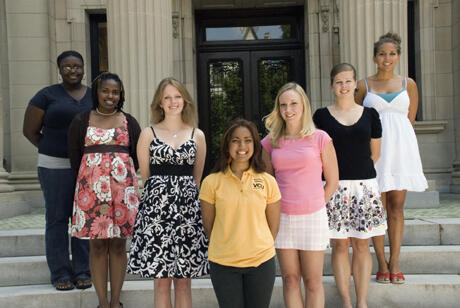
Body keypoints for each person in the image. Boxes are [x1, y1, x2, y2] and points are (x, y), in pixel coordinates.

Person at [127, 77, 209, 308]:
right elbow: (147, 177)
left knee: (184, 281)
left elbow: (196, 178)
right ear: (160, 103)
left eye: (177, 96)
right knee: (161, 282)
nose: (173, 102)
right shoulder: (148, 133)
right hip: (156, 213)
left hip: (188, 214)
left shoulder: (197, 135)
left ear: (185, 100)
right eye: (167, 97)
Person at [356, 32, 428, 284]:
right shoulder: (364, 85)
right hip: (374, 154)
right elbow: (357, 120)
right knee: (378, 210)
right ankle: (382, 263)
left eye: (392, 54)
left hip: (401, 152)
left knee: (397, 208)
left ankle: (395, 262)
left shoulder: (408, 84)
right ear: (375, 57)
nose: (387, 58)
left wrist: (401, 146)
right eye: (382, 54)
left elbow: (409, 119)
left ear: (398, 56)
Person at [313, 63, 387, 308]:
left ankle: (362, 301)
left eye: (348, 81)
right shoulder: (321, 116)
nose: (344, 86)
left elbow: (374, 154)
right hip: (334, 188)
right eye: (339, 82)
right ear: (332, 86)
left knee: (362, 245)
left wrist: (359, 178)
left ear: (356, 84)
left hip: (364, 187)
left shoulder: (371, 115)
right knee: (340, 245)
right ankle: (346, 301)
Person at [262, 82, 339, 308]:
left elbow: (332, 181)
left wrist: (315, 205)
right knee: (290, 279)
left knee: (313, 281)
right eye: (283, 105)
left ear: (303, 105)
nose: (288, 109)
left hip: (313, 217)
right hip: (282, 218)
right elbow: (267, 182)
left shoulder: (320, 138)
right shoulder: (270, 141)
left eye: (293, 103)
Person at [68, 72, 141, 308]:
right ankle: (102, 302)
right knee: (97, 245)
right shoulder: (81, 120)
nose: (110, 96)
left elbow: (138, 156)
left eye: (115, 91)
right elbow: (75, 157)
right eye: (105, 90)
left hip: (122, 191)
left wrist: (119, 174)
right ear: (96, 92)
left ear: (121, 95)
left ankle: (116, 301)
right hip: (91, 190)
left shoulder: (129, 121)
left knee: (119, 245)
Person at [23, 50, 92, 291]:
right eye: (67, 66)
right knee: (57, 219)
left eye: (77, 66)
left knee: (83, 219)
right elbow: (30, 130)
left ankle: (83, 270)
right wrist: (52, 149)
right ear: (59, 69)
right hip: (54, 166)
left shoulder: (93, 95)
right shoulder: (46, 95)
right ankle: (60, 272)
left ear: (84, 69)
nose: (72, 70)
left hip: (86, 168)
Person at [199, 118, 281, 308]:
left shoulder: (268, 181)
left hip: (261, 262)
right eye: (235, 140)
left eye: (248, 140)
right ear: (227, 144)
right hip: (224, 264)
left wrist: (258, 246)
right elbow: (209, 226)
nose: (242, 146)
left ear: (255, 144)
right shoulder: (211, 182)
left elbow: (273, 226)